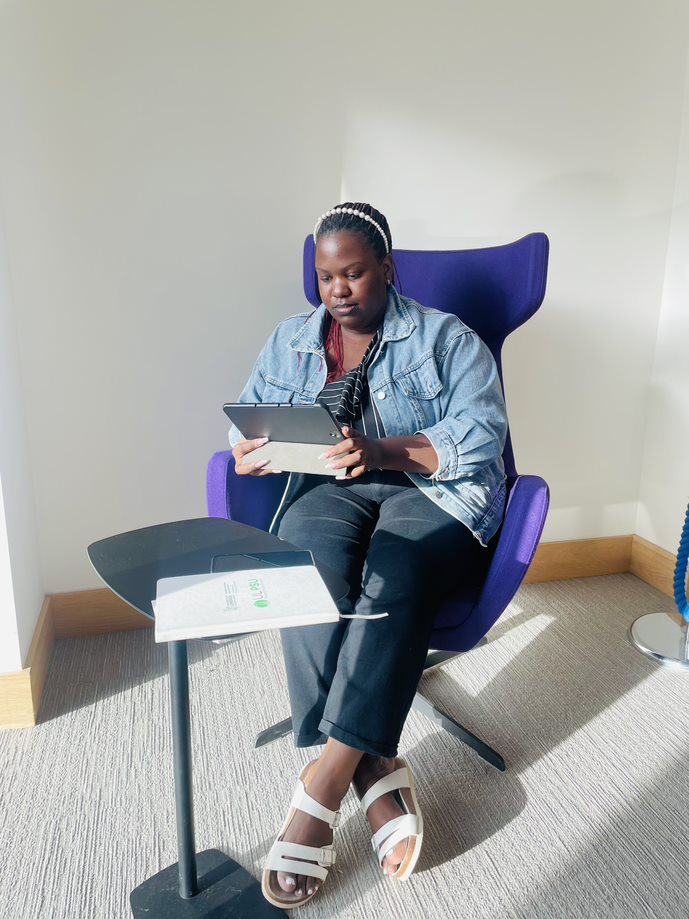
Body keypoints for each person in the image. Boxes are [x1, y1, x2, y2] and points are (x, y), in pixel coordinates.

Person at [228, 203, 508, 909]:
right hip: (330, 491)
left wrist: (381, 450)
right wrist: (250, 450)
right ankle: (370, 763)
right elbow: (255, 411)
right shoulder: (290, 339)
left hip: (431, 491)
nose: (338, 290)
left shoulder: (447, 337)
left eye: (353, 272)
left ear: (386, 268)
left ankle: (321, 784)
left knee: (394, 571)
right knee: (306, 570)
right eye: (325, 276)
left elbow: (482, 433)